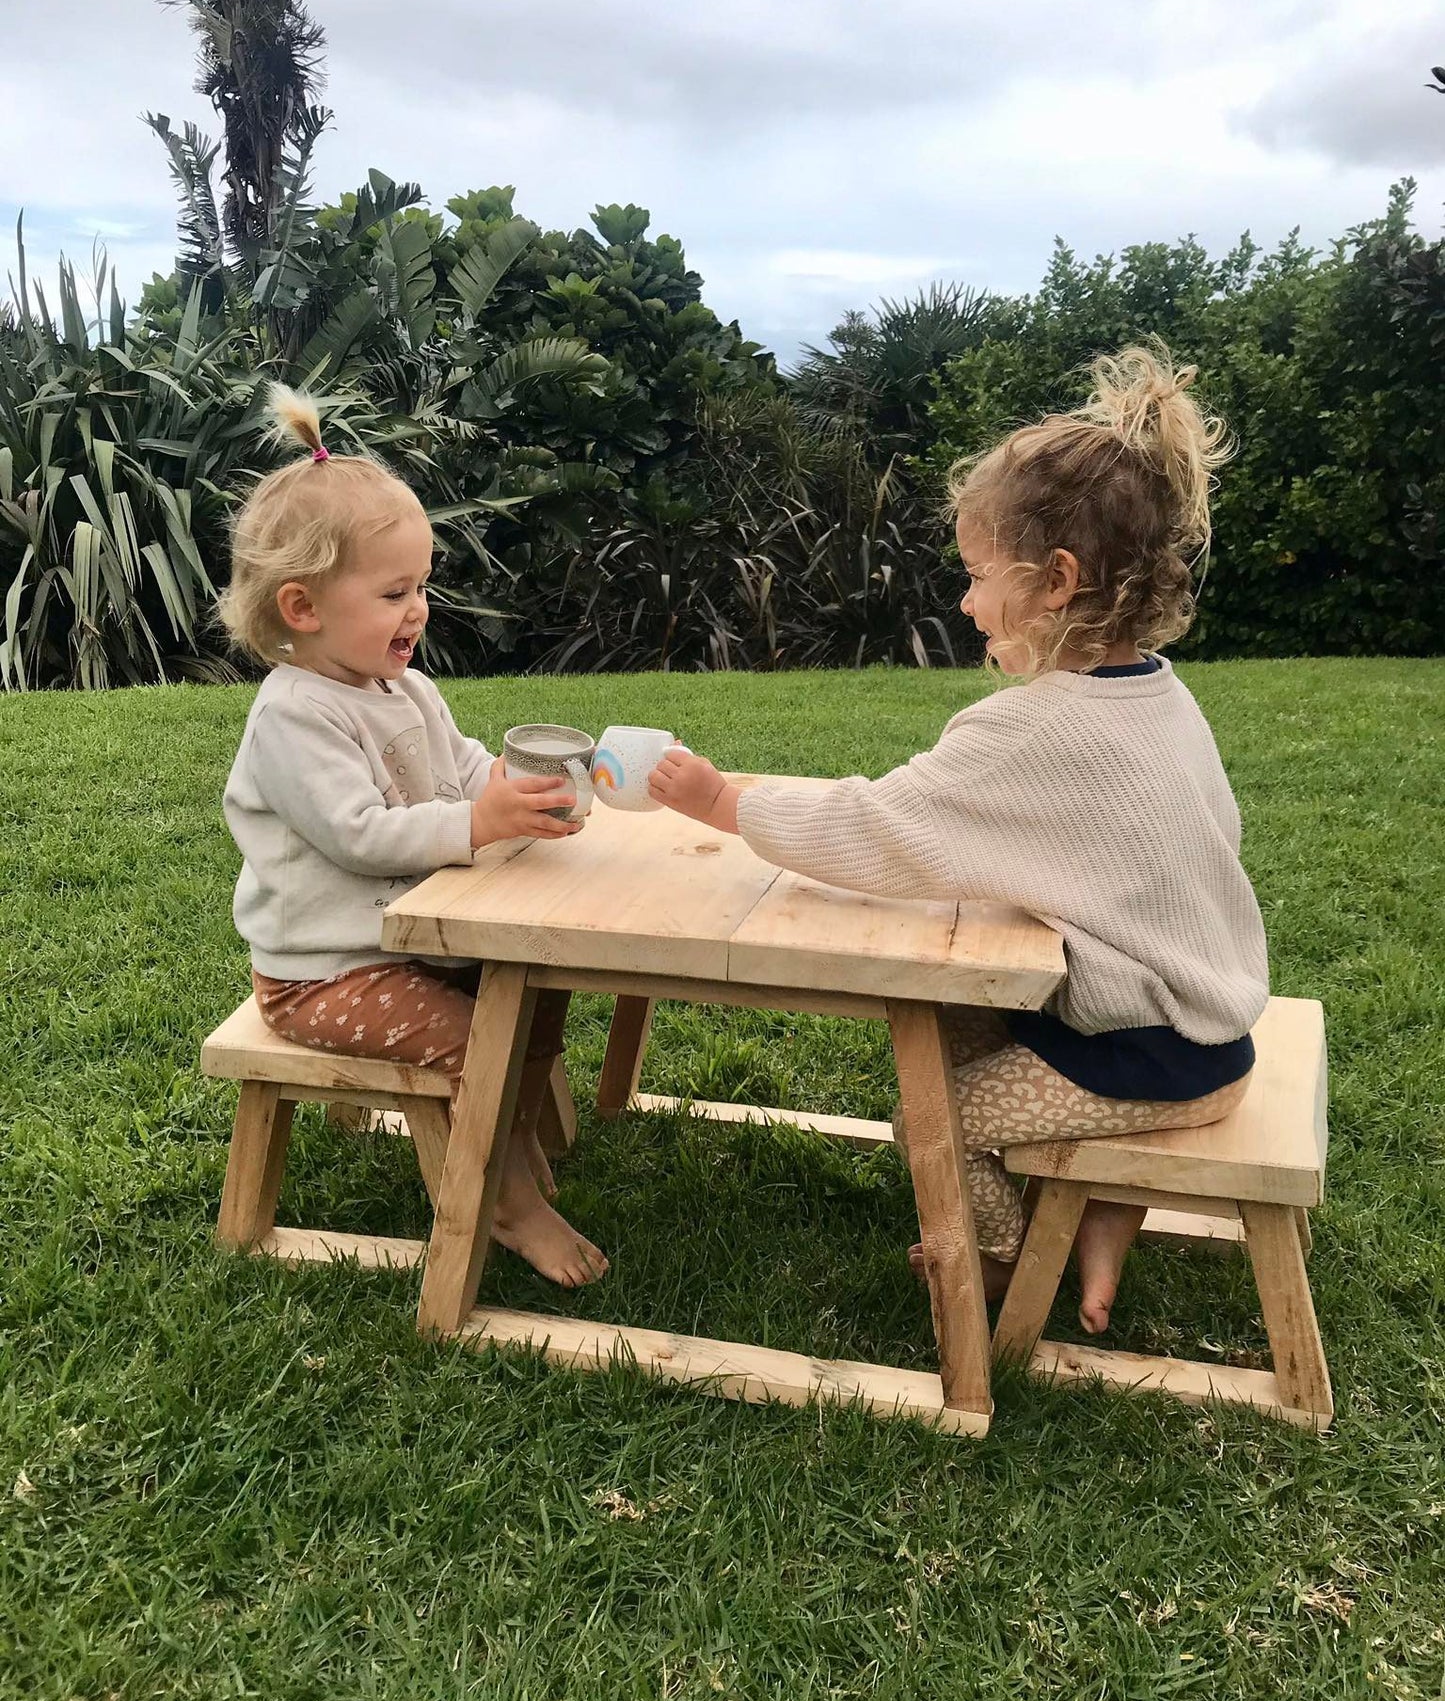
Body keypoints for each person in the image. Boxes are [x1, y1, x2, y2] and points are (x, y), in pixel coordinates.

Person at [648, 345, 1267, 1333]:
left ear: (1055, 580)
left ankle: (992, 1267)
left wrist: (725, 803)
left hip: (1147, 1056)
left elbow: (878, 826)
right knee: (943, 1024)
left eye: (979, 577)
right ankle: (1094, 1213)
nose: (968, 602)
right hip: (1208, 1021)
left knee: (934, 1118)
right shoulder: (1157, 692)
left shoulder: (1033, 728)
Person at [219, 386, 607, 1288]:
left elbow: (463, 765)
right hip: (328, 972)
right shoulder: (293, 717)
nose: (417, 609)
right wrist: (477, 825)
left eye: (421, 586)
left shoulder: (403, 687)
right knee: (482, 1036)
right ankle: (503, 1203)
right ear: (303, 607)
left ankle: (507, 1137)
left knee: (534, 988)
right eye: (394, 591)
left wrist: (511, 791)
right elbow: (360, 834)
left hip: (416, 940)